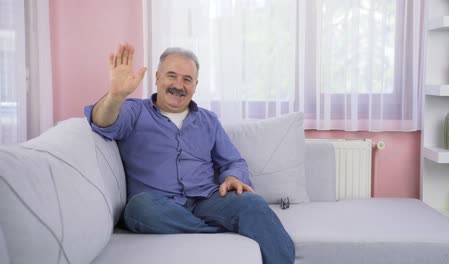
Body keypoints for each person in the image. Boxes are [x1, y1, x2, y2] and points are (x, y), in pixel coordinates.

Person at [84, 43, 295, 264]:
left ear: (195, 85)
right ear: (157, 77)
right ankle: (219, 228)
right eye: (171, 76)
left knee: (253, 203)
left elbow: (233, 161)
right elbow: (102, 122)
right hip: (158, 205)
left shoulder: (208, 120)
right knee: (139, 208)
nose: (179, 85)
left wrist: (233, 177)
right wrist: (115, 96)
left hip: (207, 200)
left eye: (187, 79)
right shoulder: (133, 111)